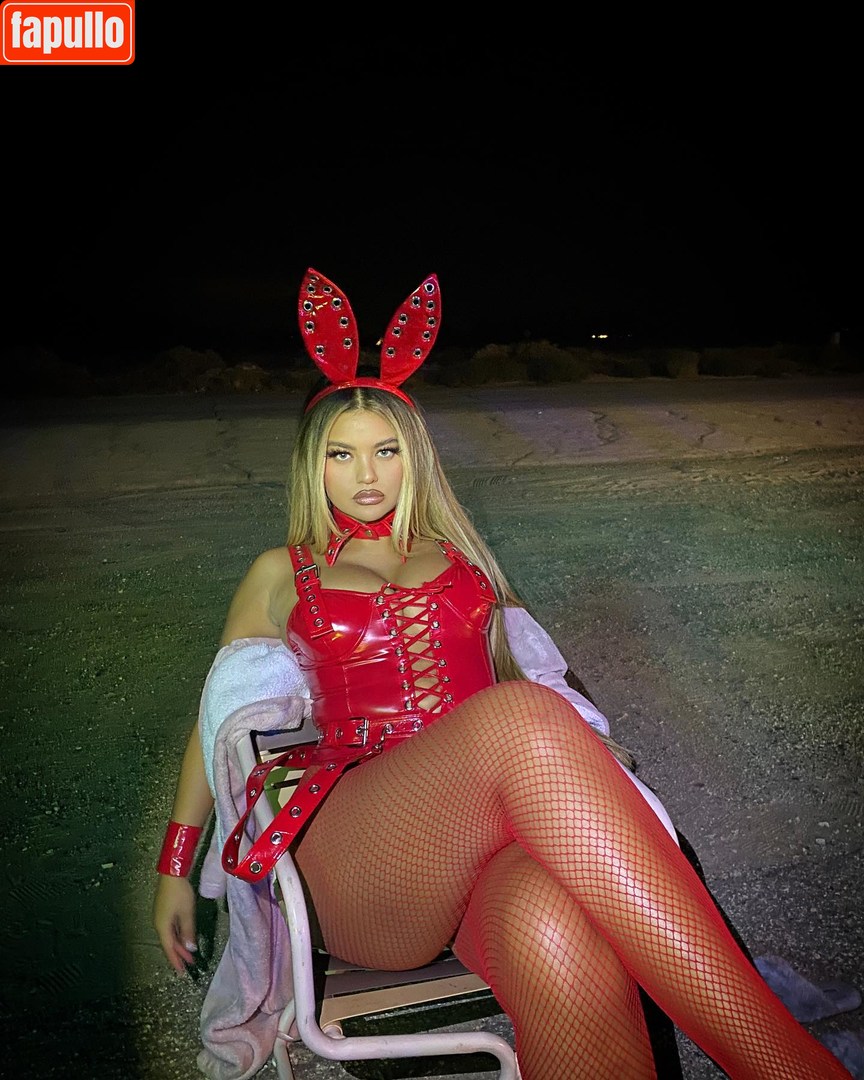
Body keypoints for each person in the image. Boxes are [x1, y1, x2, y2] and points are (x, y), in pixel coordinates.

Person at [153, 269, 853, 1080]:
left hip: (478, 850)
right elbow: (220, 718)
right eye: (342, 454)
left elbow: (535, 675)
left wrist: (583, 756)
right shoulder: (282, 571)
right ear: (315, 464)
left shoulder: (464, 561)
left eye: (385, 451)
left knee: (556, 931)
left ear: (415, 457)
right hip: (358, 849)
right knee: (518, 717)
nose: (366, 475)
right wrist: (175, 870)